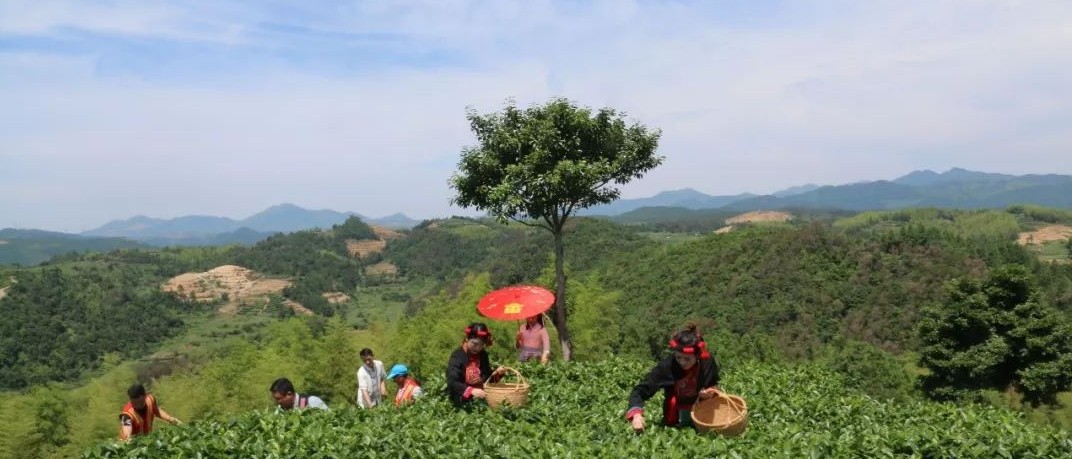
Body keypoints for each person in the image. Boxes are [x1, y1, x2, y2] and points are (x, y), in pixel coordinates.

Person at [625, 323, 721, 432]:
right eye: (678, 357)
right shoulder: (667, 367)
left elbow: (713, 384)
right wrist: (636, 415)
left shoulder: (707, 362)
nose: (682, 362)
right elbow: (640, 391)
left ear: (698, 356)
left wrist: (710, 392)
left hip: (702, 411)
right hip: (675, 415)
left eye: (687, 359)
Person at [446, 322, 506, 405]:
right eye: (474, 343)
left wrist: (497, 374)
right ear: (467, 339)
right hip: (462, 402)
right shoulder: (457, 356)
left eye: (481, 345)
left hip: (482, 400)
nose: (478, 348)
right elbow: (452, 381)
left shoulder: (483, 355)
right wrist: (471, 390)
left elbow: (486, 380)